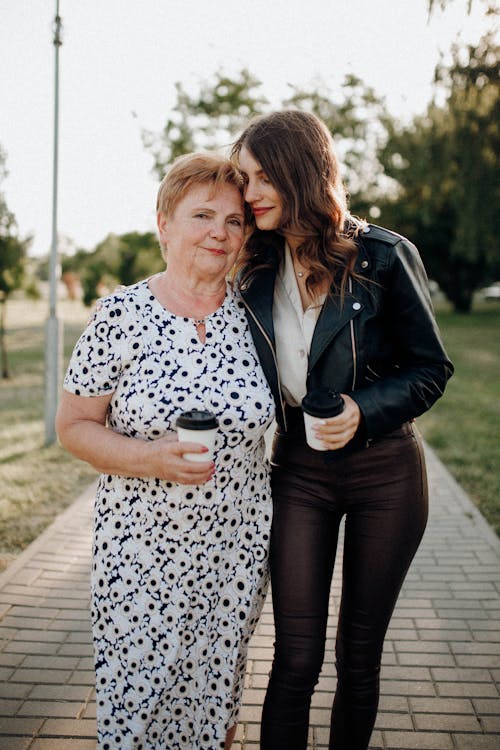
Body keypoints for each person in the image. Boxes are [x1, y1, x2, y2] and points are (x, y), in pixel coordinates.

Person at [230, 110, 454, 750]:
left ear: (299, 171)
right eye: (243, 180)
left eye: (259, 177)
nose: (247, 195)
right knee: (296, 657)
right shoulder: (255, 267)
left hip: (386, 473)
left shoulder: (384, 256)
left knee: (359, 657)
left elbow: (431, 368)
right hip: (298, 473)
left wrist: (364, 409)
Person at [55, 152, 275, 750]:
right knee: (140, 708)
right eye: (202, 215)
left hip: (235, 553)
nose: (219, 232)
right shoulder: (120, 315)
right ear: (163, 222)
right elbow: (73, 425)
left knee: (216, 706)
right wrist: (149, 458)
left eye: (234, 221)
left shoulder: (258, 316)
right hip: (141, 554)